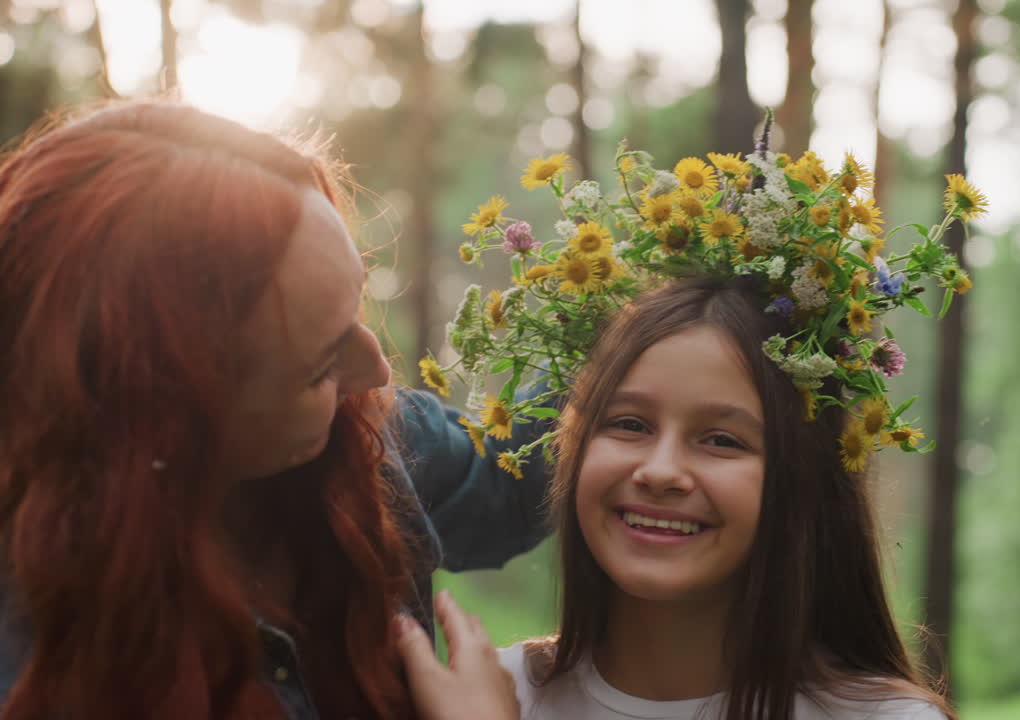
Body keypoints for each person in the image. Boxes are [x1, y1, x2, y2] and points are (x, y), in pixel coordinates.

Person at [0, 101, 543, 719]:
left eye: (356, 306)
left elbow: (506, 475)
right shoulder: (30, 660)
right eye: (319, 368)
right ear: (172, 418)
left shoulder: (370, 431)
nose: (377, 373)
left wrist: (620, 302)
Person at [493, 277, 956, 720]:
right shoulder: (491, 697)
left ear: (800, 482)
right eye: (630, 424)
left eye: (721, 440)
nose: (660, 471)